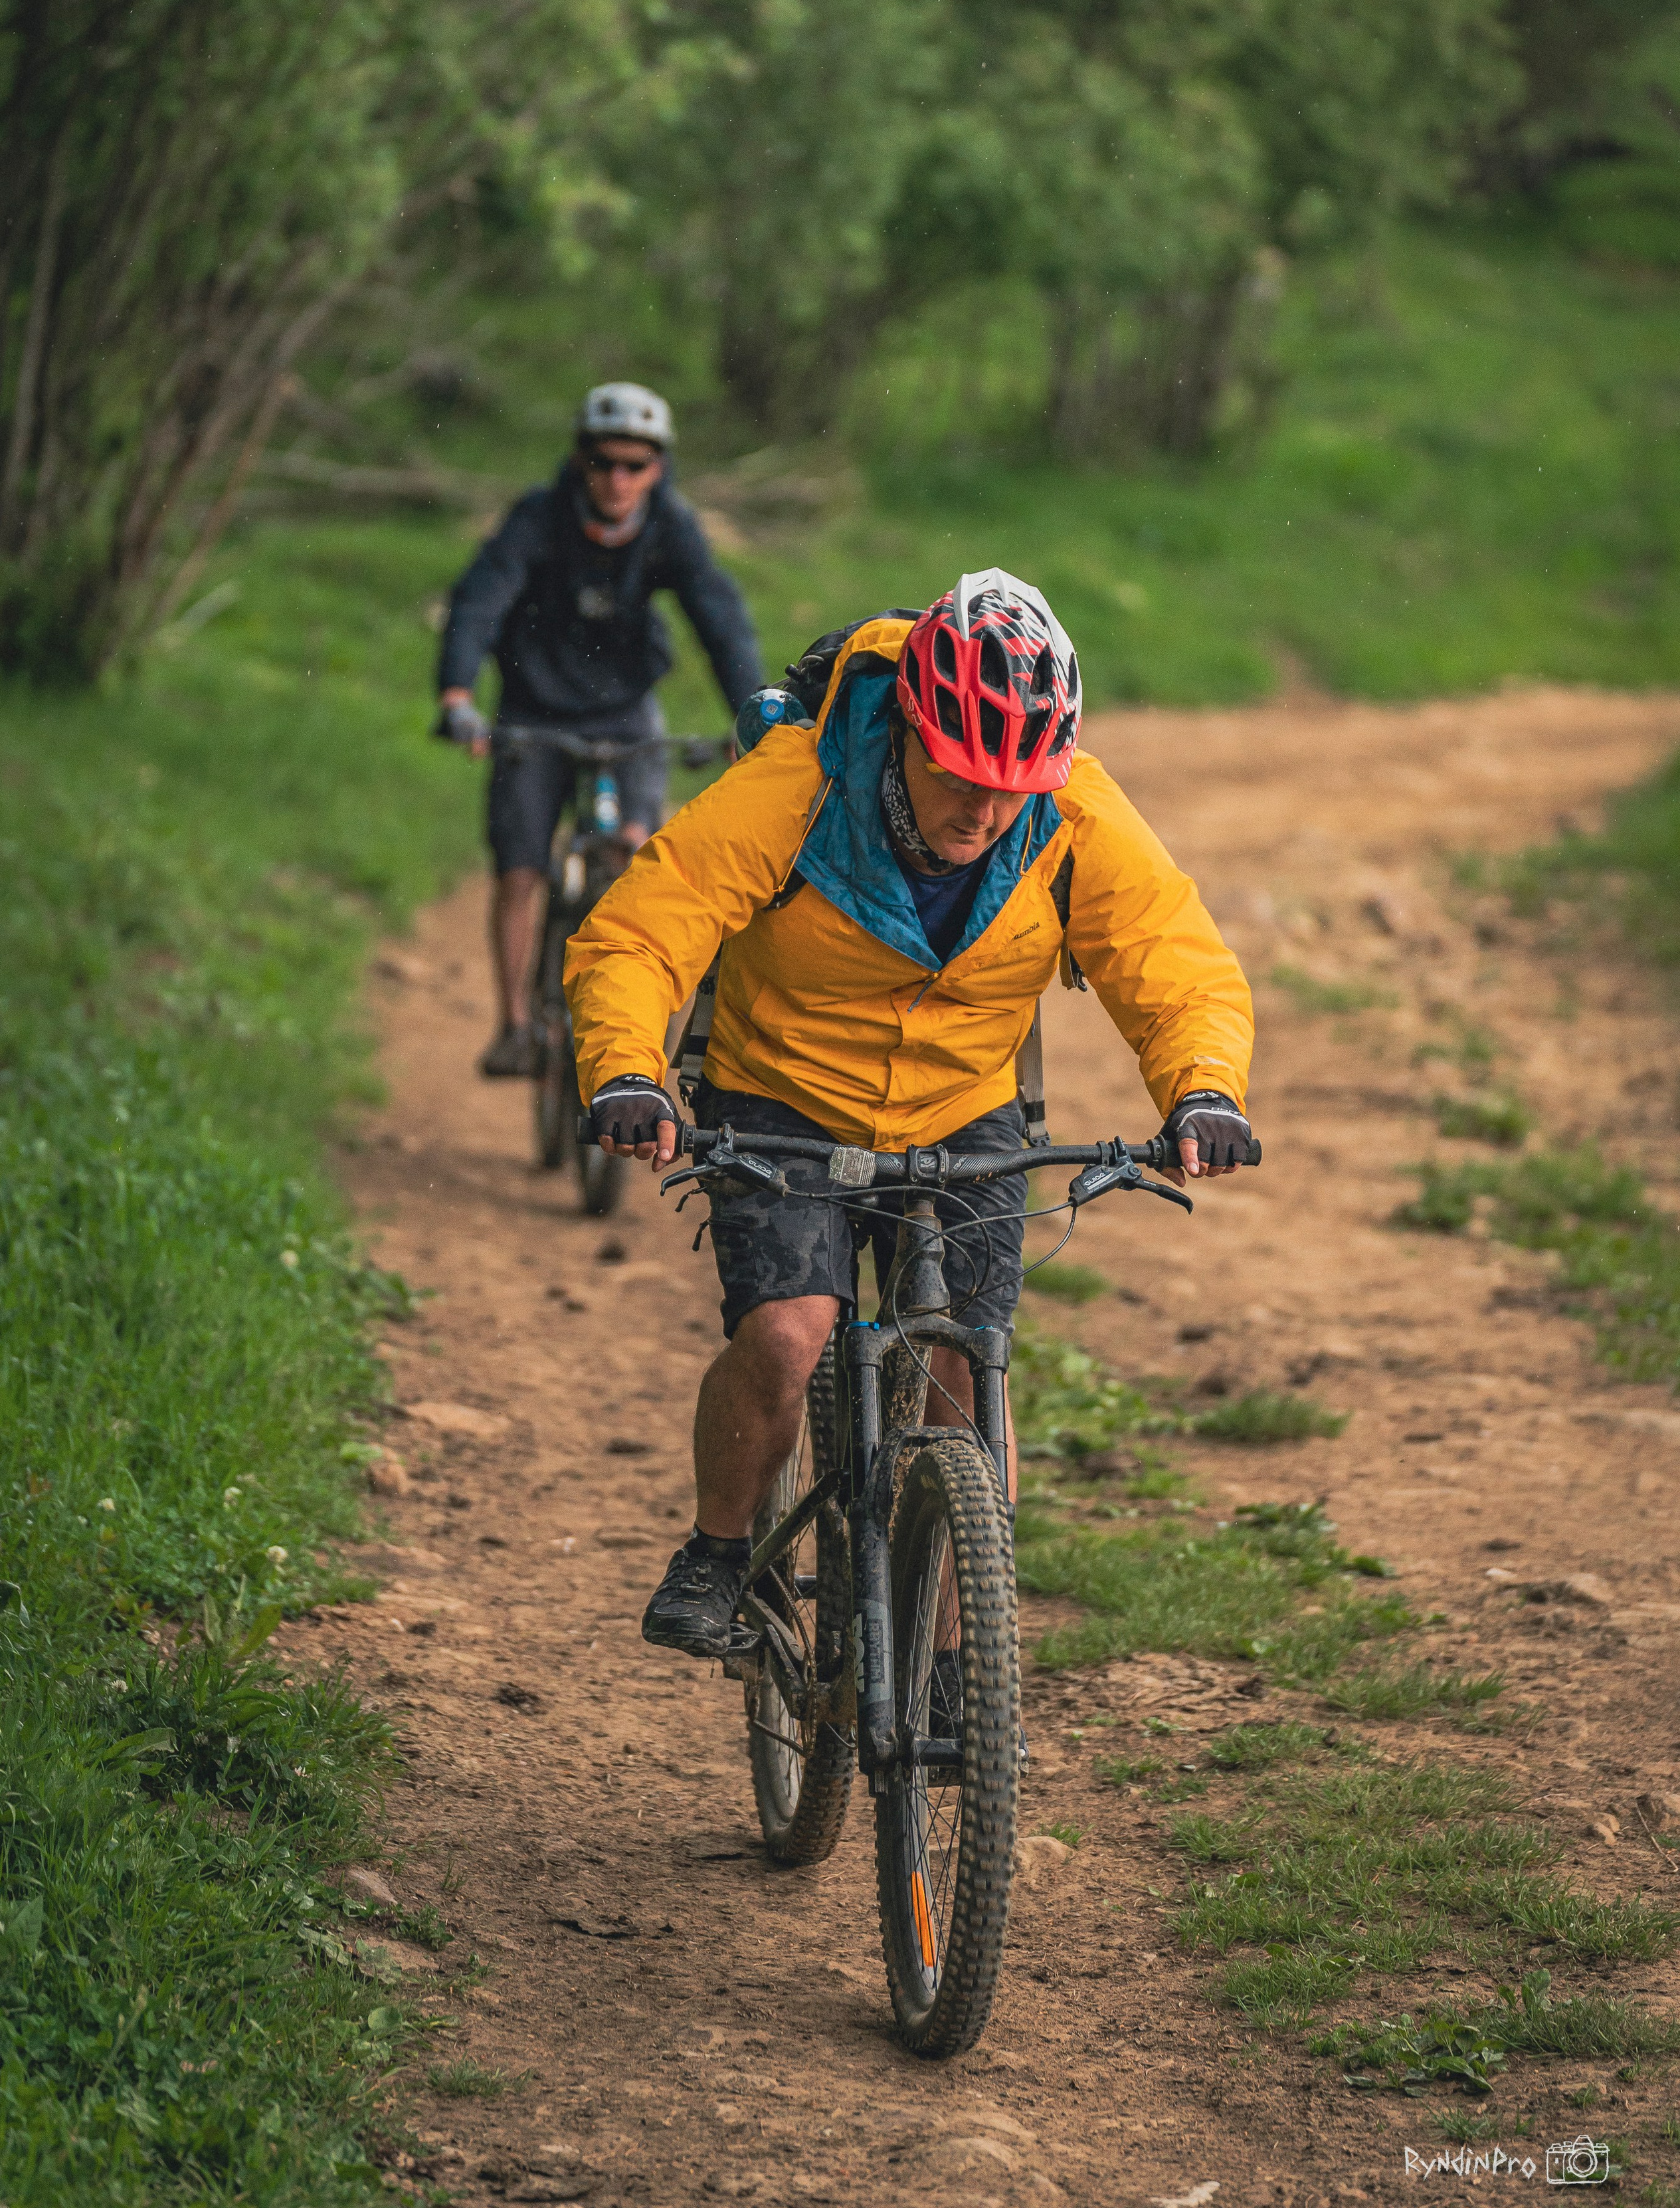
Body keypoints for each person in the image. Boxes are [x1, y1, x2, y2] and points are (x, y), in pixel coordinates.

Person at [563, 571, 1257, 1655]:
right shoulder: (798, 786)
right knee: (790, 1336)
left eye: (1014, 782)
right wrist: (629, 1072)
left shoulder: (1074, 817)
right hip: (782, 1094)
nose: (983, 808)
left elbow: (1174, 961)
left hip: (965, 1108)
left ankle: (957, 1668)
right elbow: (645, 932)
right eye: (959, 771)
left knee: (965, 1372)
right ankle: (718, 1547)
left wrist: (1203, 1089)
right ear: (910, 731)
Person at [436, 381, 765, 1078]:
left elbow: (719, 616)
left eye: (636, 465)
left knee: (638, 855)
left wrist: (751, 711)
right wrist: (459, 693)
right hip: (533, 709)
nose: (619, 479)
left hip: (626, 711)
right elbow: (480, 599)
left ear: (659, 468)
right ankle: (515, 1025)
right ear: (580, 460)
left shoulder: (670, 526)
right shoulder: (539, 518)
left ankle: (628, 1025)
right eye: (604, 462)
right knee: (521, 868)